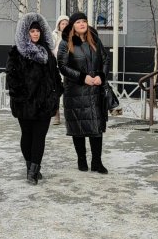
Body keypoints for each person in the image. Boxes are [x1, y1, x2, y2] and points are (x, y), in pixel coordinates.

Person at [6, 13, 63, 184]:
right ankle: (29, 166)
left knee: (40, 137)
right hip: (25, 104)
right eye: (32, 31)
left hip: (45, 104)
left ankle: (34, 170)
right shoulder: (17, 52)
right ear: (25, 33)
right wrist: (21, 96)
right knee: (27, 135)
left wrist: (56, 94)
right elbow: (12, 77)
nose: (35, 34)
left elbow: (55, 76)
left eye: (38, 30)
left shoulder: (47, 52)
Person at [57, 12, 110, 174]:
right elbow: (63, 66)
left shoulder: (94, 39)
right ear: (72, 25)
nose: (82, 24)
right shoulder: (66, 43)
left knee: (97, 126)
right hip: (76, 91)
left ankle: (97, 161)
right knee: (79, 127)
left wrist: (101, 76)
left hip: (95, 90)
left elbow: (105, 59)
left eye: (84, 21)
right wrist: (82, 78)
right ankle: (81, 159)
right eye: (78, 21)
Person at [51, 15, 69, 125]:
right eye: (63, 23)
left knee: (68, 92)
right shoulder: (54, 36)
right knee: (56, 92)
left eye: (67, 23)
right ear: (59, 25)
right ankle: (56, 114)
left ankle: (69, 115)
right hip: (56, 68)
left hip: (68, 68)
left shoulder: (73, 35)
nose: (65, 25)